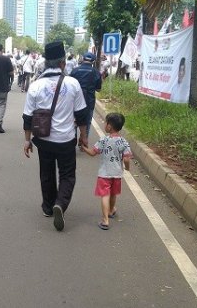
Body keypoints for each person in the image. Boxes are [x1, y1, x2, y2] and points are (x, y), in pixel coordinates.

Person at [22, 41, 89, 231]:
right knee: (67, 175)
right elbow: (81, 115)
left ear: (45, 62)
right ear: (62, 63)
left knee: (46, 173)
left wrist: (27, 140)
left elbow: (27, 117)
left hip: (43, 140)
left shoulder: (35, 86)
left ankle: (48, 207)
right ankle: (61, 203)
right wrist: (83, 137)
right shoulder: (73, 83)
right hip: (66, 140)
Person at [80, 113, 132, 230]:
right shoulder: (123, 142)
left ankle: (105, 220)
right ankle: (111, 210)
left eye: (105, 122)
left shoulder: (104, 140)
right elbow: (127, 158)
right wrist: (127, 168)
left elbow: (93, 153)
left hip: (104, 173)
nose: (104, 124)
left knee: (105, 195)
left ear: (109, 126)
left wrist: (84, 148)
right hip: (117, 173)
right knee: (113, 194)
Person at [70, 52, 102, 142]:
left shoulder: (74, 71)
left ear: (83, 59)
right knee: (87, 122)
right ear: (93, 61)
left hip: (74, 101)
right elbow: (98, 89)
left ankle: (73, 140)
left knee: (73, 122)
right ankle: (84, 141)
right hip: (89, 101)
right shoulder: (96, 73)